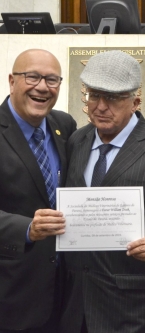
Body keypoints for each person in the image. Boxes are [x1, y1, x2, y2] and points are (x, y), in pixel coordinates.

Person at [59, 50, 145, 333]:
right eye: (93, 95)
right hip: (76, 309)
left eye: (112, 98)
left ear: (136, 101)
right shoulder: (78, 140)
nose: (100, 106)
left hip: (137, 313)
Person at [0, 49, 76, 333]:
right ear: (12, 81)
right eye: (32, 77)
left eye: (52, 80)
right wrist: (27, 228)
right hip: (11, 296)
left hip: (64, 295)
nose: (42, 87)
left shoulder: (64, 125)